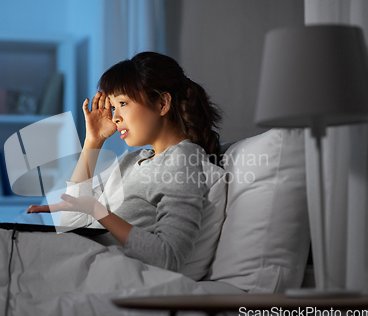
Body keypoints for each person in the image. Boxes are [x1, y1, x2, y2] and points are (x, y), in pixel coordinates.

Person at [27, 51, 224, 277]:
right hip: (79, 263)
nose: (115, 116)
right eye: (112, 106)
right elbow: (72, 223)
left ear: (162, 103)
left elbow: (169, 257)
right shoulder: (133, 159)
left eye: (122, 103)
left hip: (106, 275)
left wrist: (96, 209)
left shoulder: (183, 161)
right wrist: (93, 141)